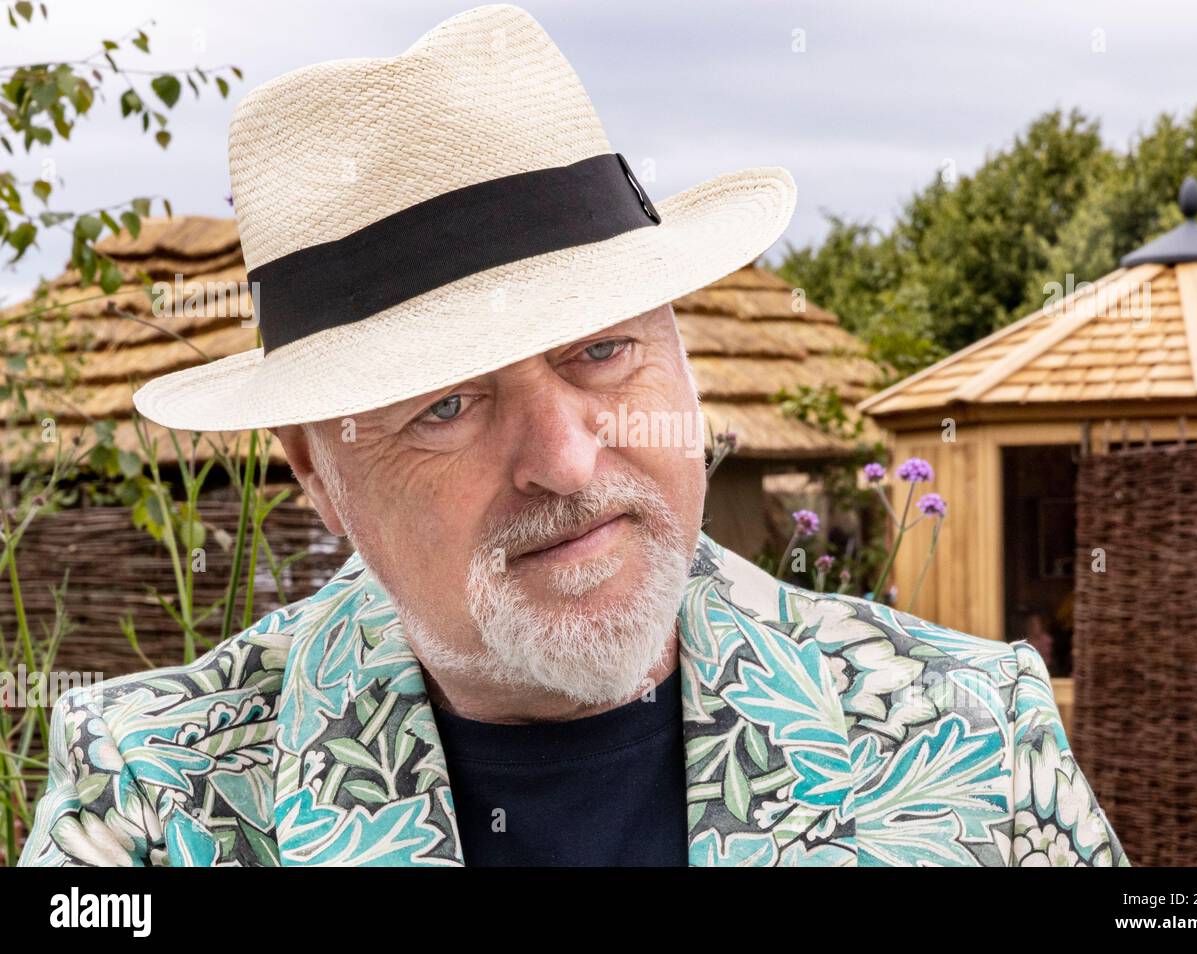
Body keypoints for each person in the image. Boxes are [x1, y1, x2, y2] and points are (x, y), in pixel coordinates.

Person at [19, 3, 1127, 867]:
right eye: (445, 405)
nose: (564, 458)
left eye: (600, 351)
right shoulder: (154, 794)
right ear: (315, 471)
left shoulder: (972, 736)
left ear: (680, 351)